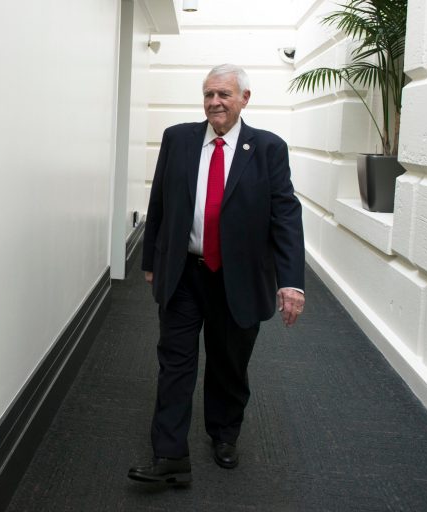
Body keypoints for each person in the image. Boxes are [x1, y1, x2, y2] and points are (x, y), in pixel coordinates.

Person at [128, 64, 305, 484]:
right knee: (175, 362)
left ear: (245, 98)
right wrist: (151, 261)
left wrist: (291, 281)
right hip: (185, 273)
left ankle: (224, 434)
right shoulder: (179, 139)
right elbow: (160, 204)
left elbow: (285, 217)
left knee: (229, 362)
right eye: (208, 94)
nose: (214, 102)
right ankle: (169, 455)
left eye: (223, 94)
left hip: (237, 277)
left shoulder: (267, 149)